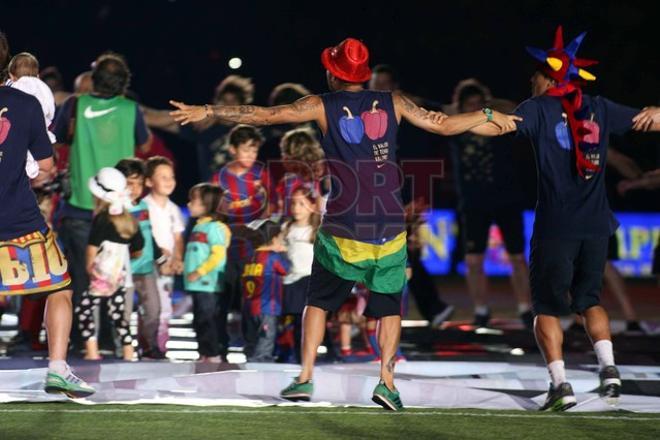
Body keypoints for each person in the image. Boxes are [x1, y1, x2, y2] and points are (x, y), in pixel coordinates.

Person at [169, 37, 519, 410]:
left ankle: (305, 377)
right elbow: (445, 125)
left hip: (343, 224)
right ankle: (386, 383)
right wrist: (487, 115)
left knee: (318, 302)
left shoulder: (320, 105)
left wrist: (209, 110)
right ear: (363, 75)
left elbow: (266, 115)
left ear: (334, 73)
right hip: (387, 224)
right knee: (388, 308)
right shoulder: (395, 102)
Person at [462, 26, 660, 410]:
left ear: (550, 75)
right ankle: (610, 370)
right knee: (590, 300)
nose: (530, 80)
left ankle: (560, 385)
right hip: (597, 225)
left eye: (535, 74)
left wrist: (461, 121)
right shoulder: (599, 107)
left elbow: (498, 126)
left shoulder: (536, 108)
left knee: (547, 308)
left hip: (556, 226)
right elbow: (650, 120)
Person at [0, 31, 94, 397]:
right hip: (20, 219)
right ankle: (57, 368)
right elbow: (46, 166)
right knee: (60, 289)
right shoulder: (24, 103)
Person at [53, 52, 149, 346]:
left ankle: (83, 342)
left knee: (83, 280)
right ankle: (111, 341)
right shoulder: (132, 109)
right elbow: (144, 142)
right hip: (119, 211)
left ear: (93, 79)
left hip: (81, 206)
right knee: (116, 278)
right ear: (124, 83)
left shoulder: (75, 104)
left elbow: (57, 136)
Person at [448, 79, 533, 328]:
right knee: (473, 260)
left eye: (479, 104)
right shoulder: (455, 126)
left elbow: (517, 107)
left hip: (507, 199)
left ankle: (525, 308)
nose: (475, 108)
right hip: (473, 202)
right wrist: (466, 108)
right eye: (469, 105)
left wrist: (488, 105)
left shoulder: (499, 122)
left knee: (517, 257)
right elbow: (443, 109)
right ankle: (481, 310)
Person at [212, 124, 273, 360]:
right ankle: (218, 349)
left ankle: (252, 348)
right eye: (245, 150)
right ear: (232, 149)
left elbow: (269, 209)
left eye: (254, 151)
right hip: (225, 249)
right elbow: (213, 209)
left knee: (251, 302)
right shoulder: (219, 178)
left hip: (251, 250)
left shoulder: (261, 175)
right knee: (222, 301)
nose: (250, 156)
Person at [76, 167, 143, 361]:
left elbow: (91, 247)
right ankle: (129, 351)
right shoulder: (129, 220)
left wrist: (89, 267)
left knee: (85, 309)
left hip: (100, 274)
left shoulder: (102, 219)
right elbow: (139, 247)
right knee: (119, 314)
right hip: (120, 276)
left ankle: (92, 351)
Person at [143, 75, 254, 181]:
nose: (228, 106)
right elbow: (154, 119)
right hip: (213, 194)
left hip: (244, 193)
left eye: (234, 101)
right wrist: (189, 113)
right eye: (224, 101)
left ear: (242, 104)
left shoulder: (252, 128)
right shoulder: (205, 127)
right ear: (216, 102)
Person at [116, 158, 166, 358]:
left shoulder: (144, 207)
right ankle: (124, 348)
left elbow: (148, 233)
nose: (135, 188)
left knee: (153, 309)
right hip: (123, 270)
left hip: (146, 268)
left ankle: (149, 346)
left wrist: (158, 255)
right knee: (123, 313)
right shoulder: (117, 208)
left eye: (139, 183)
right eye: (130, 183)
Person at [184, 183, 231, 363]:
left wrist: (200, 271)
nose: (189, 204)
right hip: (197, 284)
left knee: (208, 319)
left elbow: (218, 255)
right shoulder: (198, 227)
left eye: (193, 201)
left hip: (208, 284)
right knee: (199, 320)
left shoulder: (215, 228)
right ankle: (204, 353)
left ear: (207, 205)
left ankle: (213, 354)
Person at [143, 156, 185, 353]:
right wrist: (158, 254)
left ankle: (161, 345)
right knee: (151, 306)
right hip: (148, 264)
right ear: (149, 181)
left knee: (166, 306)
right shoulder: (144, 206)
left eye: (172, 176)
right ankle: (148, 344)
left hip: (167, 265)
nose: (169, 181)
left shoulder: (173, 209)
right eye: (163, 177)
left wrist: (177, 258)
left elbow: (178, 237)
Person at [240, 219, 290, 362]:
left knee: (252, 337)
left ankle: (250, 356)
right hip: (268, 306)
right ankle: (261, 360)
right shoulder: (272, 257)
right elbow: (285, 269)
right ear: (274, 239)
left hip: (249, 305)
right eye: (281, 239)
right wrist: (284, 253)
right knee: (266, 336)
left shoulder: (250, 257)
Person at [282, 187, 320, 363]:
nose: (296, 208)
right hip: (290, 280)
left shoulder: (316, 229)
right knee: (292, 320)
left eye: (302, 204)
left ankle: (308, 356)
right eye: (294, 203)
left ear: (312, 206)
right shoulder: (286, 227)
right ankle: (292, 354)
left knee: (306, 321)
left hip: (309, 280)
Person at [6, 52, 56, 181]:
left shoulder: (14, 87)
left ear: (11, 76)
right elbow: (50, 112)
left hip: (18, 134)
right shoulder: (45, 88)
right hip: (41, 133)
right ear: (38, 75)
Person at [276, 127, 324, 216]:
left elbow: (283, 213)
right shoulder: (319, 177)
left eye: (283, 152)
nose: (282, 157)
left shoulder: (288, 182)